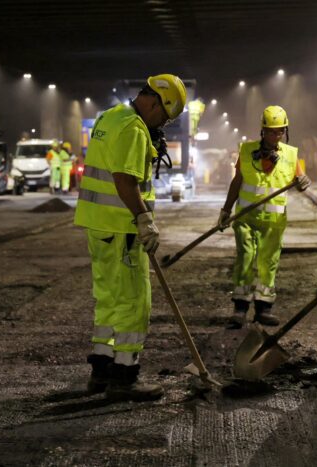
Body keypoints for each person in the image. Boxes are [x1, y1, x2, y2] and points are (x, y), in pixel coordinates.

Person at [74, 74, 187, 401]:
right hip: (122, 227)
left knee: (108, 297)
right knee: (135, 300)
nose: (162, 123)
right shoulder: (134, 129)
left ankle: (101, 371)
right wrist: (144, 219)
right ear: (153, 101)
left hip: (98, 224)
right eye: (164, 115)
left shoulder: (110, 117)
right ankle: (125, 376)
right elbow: (125, 181)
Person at [218, 105, 311, 328]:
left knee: (268, 263)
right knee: (246, 259)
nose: (275, 135)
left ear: (285, 131)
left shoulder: (290, 154)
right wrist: (226, 210)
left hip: (274, 222)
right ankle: (240, 308)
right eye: (271, 131)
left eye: (279, 131)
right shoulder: (247, 151)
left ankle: (263, 308)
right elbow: (237, 181)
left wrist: (303, 182)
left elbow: (299, 181)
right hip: (246, 219)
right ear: (263, 131)